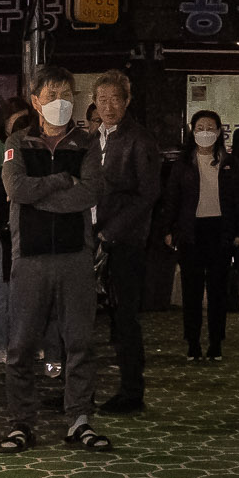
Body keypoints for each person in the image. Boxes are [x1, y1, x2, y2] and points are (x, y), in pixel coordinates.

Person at [0, 65, 111, 454]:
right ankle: (20, 422)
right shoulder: (18, 141)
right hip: (29, 257)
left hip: (75, 256)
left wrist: (39, 195)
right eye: (52, 96)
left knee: (79, 341)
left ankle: (79, 418)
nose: (60, 103)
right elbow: (15, 188)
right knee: (22, 345)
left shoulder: (86, 142)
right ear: (35, 101)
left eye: (67, 96)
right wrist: (62, 181)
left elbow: (90, 194)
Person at [86, 70, 161, 414]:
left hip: (125, 240)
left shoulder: (139, 139)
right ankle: (79, 390)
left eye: (115, 98)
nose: (108, 106)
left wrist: (109, 232)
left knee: (125, 319)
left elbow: (147, 194)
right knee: (81, 317)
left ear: (128, 101)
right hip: (90, 238)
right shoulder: (92, 138)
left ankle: (132, 391)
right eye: (102, 99)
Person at [165, 110, 239, 361]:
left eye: (210, 127)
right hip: (191, 232)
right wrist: (168, 230)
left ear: (219, 131)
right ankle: (192, 343)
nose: (205, 132)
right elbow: (172, 200)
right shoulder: (182, 165)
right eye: (200, 126)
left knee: (217, 291)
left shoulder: (230, 163)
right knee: (191, 291)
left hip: (220, 231)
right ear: (192, 130)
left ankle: (216, 343)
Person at [0, 96, 35, 364]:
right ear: (6, 122)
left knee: (26, 286)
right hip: (4, 220)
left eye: (27, 120)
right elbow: (4, 182)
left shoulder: (34, 145)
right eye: (17, 121)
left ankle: (22, 343)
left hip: (27, 221)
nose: (23, 127)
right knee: (3, 283)